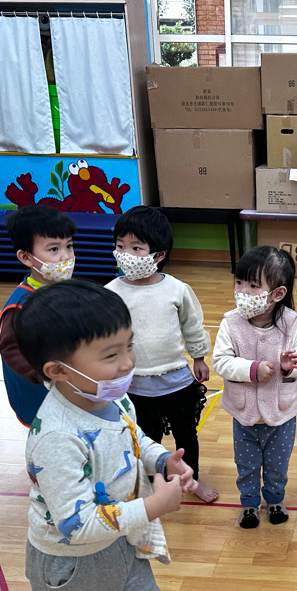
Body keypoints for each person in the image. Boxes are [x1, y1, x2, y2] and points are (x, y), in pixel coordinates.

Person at [14, 280, 226, 591]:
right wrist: (153, 506)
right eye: (111, 354)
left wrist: (161, 460)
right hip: (68, 565)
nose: (128, 361)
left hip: (121, 548)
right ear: (59, 370)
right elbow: (76, 524)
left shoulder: (111, 393)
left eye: (129, 346)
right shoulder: (57, 437)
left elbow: (134, 438)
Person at [105, 206, 218, 503]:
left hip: (176, 381)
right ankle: (151, 482)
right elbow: (105, 338)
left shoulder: (176, 289)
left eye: (136, 248)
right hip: (135, 385)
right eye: (120, 246)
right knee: (144, 439)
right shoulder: (111, 292)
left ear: (159, 255)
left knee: (186, 436)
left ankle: (191, 478)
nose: (125, 254)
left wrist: (199, 357)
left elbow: (192, 326)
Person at [212, 246, 297, 529]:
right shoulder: (231, 323)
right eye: (239, 282)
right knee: (246, 465)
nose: (242, 291)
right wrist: (251, 369)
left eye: (253, 286)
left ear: (277, 294)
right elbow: (221, 361)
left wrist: (292, 365)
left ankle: (275, 499)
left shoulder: (293, 323)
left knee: (278, 465)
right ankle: (249, 504)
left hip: (282, 414)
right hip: (244, 415)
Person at [0, 206, 76, 427]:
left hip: (70, 386)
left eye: (69, 246)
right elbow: (10, 349)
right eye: (54, 249)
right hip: (41, 392)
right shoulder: (21, 304)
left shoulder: (66, 288)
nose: (66, 256)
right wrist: (44, 375)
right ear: (26, 257)